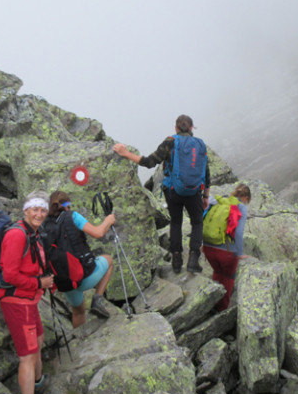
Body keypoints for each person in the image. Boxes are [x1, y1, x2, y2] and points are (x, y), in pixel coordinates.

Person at [112, 114, 210, 273]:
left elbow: (149, 162)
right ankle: (193, 259)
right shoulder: (200, 144)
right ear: (192, 128)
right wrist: (205, 195)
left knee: (176, 222)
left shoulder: (169, 142)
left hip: (173, 191)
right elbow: (206, 171)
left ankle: (176, 260)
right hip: (194, 192)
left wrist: (126, 153)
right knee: (197, 222)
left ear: (176, 128)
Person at [0, 191, 55, 394]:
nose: (39, 214)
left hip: (29, 299)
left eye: (43, 210)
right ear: (25, 210)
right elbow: (9, 275)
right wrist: (39, 283)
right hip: (17, 302)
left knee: (38, 341)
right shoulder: (17, 235)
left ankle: (38, 385)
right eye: (35, 209)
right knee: (28, 355)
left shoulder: (32, 232)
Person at [46, 191, 115, 328]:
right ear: (67, 205)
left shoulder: (45, 223)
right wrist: (108, 221)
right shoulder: (72, 216)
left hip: (64, 281)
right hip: (84, 277)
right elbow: (98, 233)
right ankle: (98, 300)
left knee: (78, 312)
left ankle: (80, 339)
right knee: (108, 260)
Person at [202, 184, 252, 312]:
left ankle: (210, 304)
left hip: (208, 247)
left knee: (218, 273)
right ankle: (220, 312)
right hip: (226, 253)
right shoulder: (241, 207)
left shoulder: (219, 201)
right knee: (228, 277)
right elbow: (239, 233)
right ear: (245, 198)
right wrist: (240, 253)